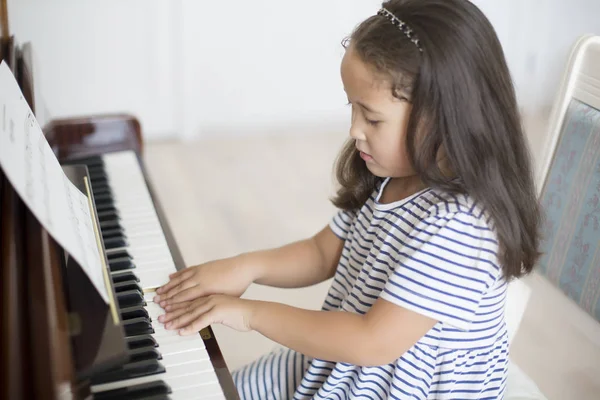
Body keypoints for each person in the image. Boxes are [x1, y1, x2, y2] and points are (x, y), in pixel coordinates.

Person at [153, 0, 541, 398]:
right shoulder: (389, 174)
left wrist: (251, 314)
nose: (354, 130)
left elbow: (372, 342)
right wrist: (245, 268)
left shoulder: (463, 226)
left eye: (372, 118)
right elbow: (323, 254)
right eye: (351, 107)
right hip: (337, 365)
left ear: (446, 118)